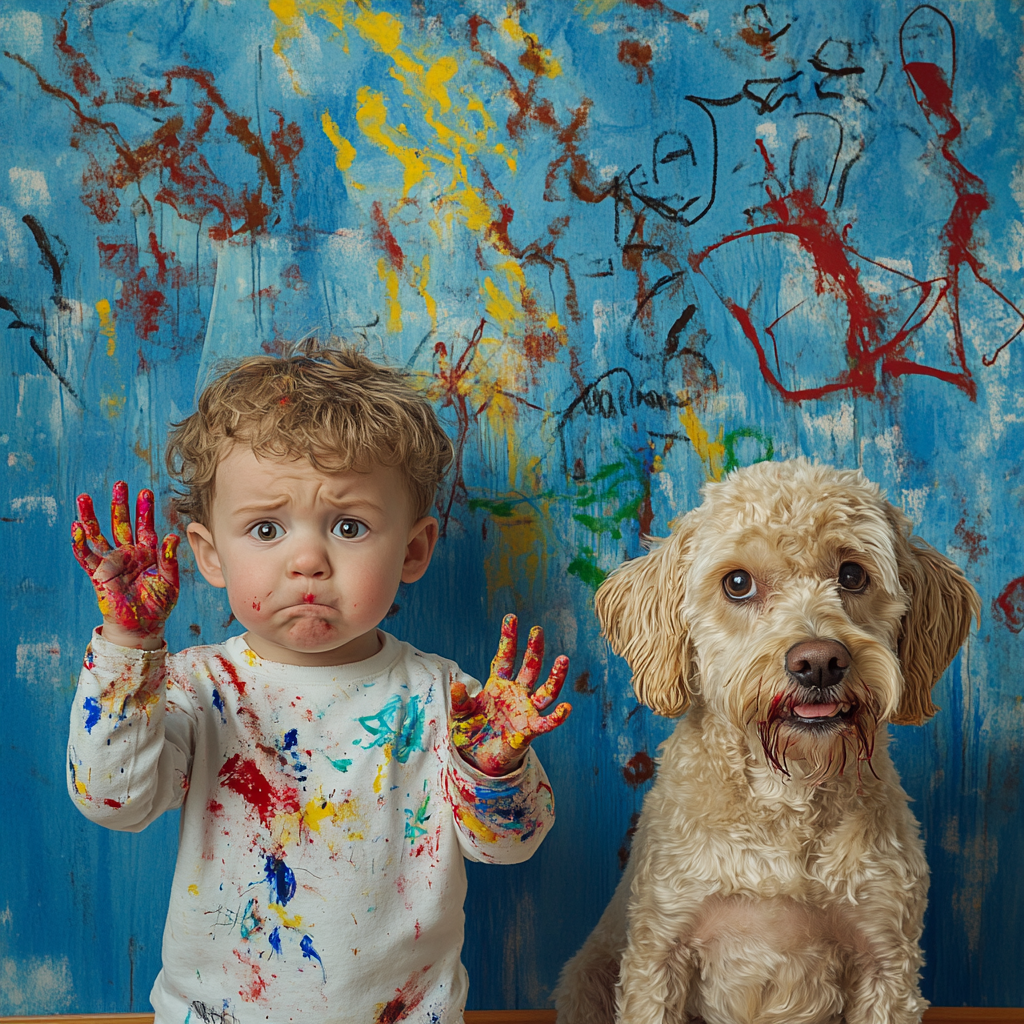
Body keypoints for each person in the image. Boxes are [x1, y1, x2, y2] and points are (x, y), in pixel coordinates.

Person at [66, 343, 571, 1023]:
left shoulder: (446, 698)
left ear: (413, 550)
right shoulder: (192, 686)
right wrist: (130, 650)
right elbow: (111, 802)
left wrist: (495, 769)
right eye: (267, 528)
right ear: (209, 555)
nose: (307, 559)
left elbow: (510, 847)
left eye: (349, 525)